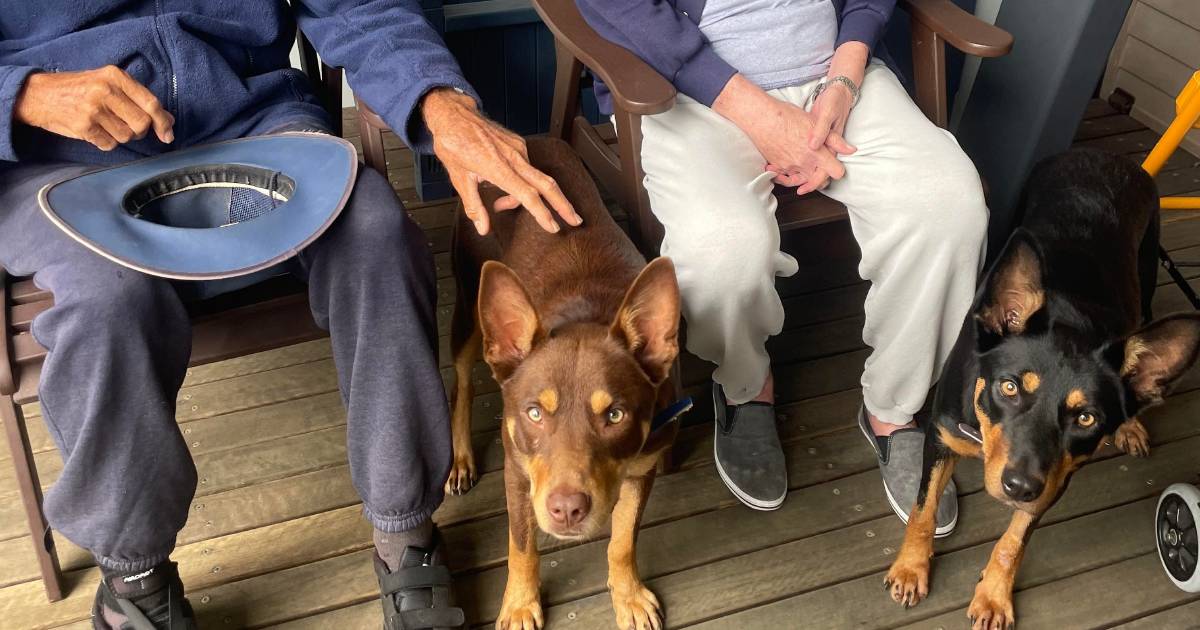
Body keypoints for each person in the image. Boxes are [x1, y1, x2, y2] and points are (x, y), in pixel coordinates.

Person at [0, 2, 577, 628]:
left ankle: (406, 533)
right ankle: (136, 581)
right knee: (105, 295)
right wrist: (21, 95)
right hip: (56, 158)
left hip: (253, 123)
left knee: (377, 236)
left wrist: (439, 102)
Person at [577, 0, 985, 530]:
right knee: (720, 245)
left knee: (949, 205)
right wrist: (760, 115)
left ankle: (895, 407)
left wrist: (846, 71)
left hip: (837, 78)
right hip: (692, 89)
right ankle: (745, 385)